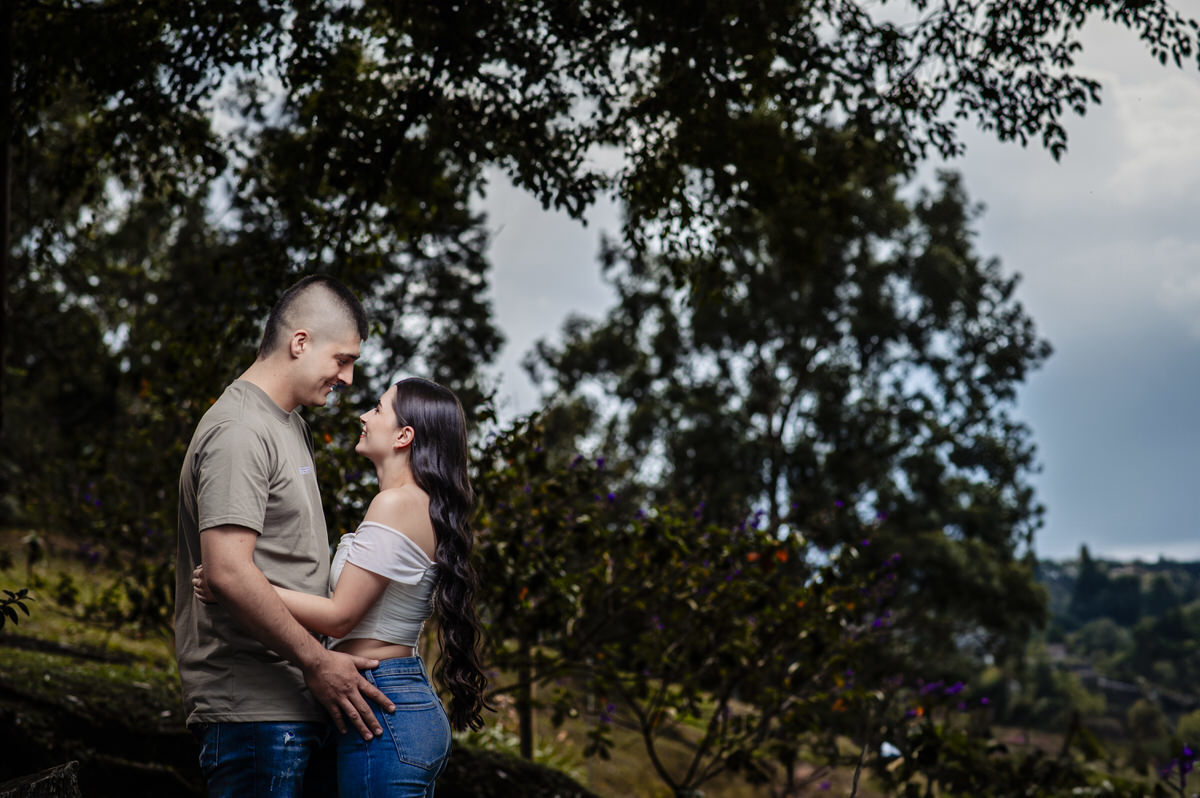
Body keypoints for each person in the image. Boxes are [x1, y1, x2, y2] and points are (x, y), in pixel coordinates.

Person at [195, 377, 489, 797]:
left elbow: (339, 617)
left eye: (379, 409)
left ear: (405, 436)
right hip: (388, 701)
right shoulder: (413, 503)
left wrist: (237, 583)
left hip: (384, 706)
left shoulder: (396, 504)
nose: (364, 416)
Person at [175, 274, 395, 798]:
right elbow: (228, 573)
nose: (346, 378)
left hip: (293, 707)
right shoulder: (241, 431)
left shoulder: (287, 424)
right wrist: (319, 663)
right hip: (254, 716)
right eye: (343, 360)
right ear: (300, 342)